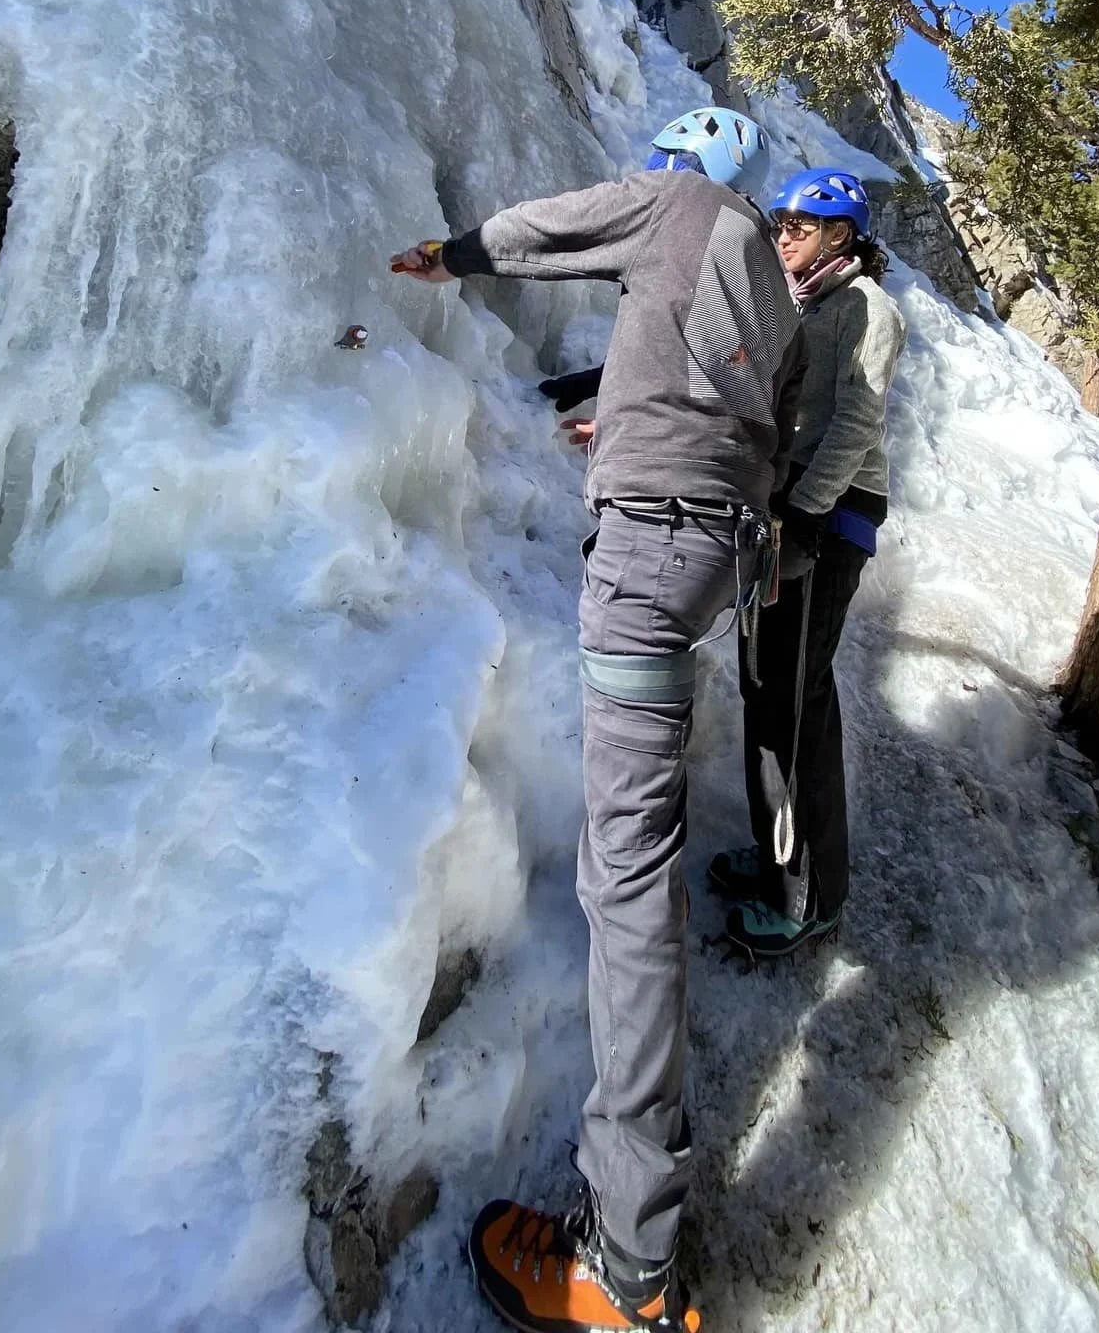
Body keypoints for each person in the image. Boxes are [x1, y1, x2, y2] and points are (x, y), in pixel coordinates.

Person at [392, 105, 802, 1333]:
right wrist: (614, 421)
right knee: (640, 852)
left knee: (628, 882)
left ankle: (626, 1266)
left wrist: (449, 252)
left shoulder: (679, 204)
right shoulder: (770, 287)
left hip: (647, 551)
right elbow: (715, 402)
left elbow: (555, 226)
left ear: (688, 165)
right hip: (717, 555)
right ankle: (633, 1234)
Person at [708, 168, 905, 960]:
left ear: (842, 235)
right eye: (781, 221)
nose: (783, 233)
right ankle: (780, 855)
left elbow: (858, 417)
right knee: (767, 695)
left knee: (792, 707)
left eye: (801, 223)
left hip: (825, 519)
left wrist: (803, 516)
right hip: (788, 518)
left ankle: (808, 899)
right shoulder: (812, 304)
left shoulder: (867, 306)